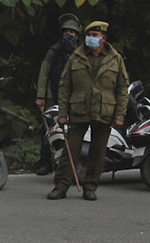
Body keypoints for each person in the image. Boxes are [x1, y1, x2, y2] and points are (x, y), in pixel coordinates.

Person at [47, 21, 129, 201]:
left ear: (103, 38)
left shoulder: (115, 58)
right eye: (89, 34)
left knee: (98, 152)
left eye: (95, 35)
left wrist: (120, 115)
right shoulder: (76, 57)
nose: (91, 38)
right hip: (79, 110)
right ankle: (60, 187)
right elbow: (64, 86)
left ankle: (90, 187)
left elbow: (122, 89)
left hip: (104, 111)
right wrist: (62, 113)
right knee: (70, 151)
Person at [34, 14, 81, 175]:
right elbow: (44, 73)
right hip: (52, 96)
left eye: (72, 32)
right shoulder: (54, 51)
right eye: (66, 31)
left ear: (77, 34)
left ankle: (70, 162)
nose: (69, 34)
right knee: (48, 129)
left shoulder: (81, 53)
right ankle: (46, 162)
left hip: (74, 98)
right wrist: (41, 96)